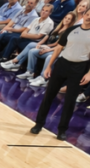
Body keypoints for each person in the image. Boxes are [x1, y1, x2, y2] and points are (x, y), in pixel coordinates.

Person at [30, 10, 90, 140]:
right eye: (88, 14)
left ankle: (62, 130)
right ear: (84, 15)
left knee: (70, 101)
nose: (89, 17)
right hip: (62, 64)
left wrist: (89, 73)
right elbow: (58, 48)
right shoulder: (71, 30)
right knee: (49, 96)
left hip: (79, 68)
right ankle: (39, 124)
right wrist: (49, 66)